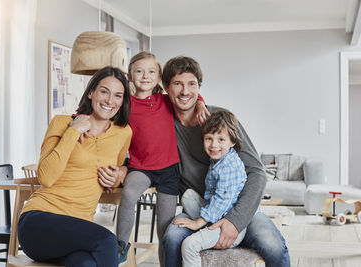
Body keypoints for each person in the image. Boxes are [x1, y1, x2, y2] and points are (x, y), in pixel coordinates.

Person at [161, 56, 290, 267]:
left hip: (238, 205)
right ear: (166, 87)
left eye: (191, 84)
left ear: (199, 87)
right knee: (172, 238)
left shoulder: (220, 120)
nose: (185, 91)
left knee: (272, 245)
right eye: (178, 84)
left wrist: (235, 221)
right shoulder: (163, 124)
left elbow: (257, 172)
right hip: (200, 207)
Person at [17, 67, 132, 267]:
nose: (109, 101)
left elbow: (120, 167)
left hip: (79, 231)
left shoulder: (123, 133)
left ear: (123, 101)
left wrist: (122, 174)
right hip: (39, 222)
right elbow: (46, 177)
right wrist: (73, 131)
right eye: (104, 91)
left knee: (86, 264)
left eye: (118, 95)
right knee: (107, 241)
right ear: (91, 92)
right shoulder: (61, 123)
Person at [116, 51, 208, 265]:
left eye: (151, 72)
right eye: (139, 71)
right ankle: (120, 245)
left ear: (159, 78)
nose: (145, 76)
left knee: (165, 230)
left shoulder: (165, 100)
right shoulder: (125, 105)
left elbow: (191, 94)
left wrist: (201, 104)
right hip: (140, 168)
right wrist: (121, 166)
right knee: (129, 194)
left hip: (169, 171)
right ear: (129, 76)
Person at [174, 110, 258, 267]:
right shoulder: (219, 160)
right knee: (188, 196)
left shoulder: (229, 166)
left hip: (229, 224)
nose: (214, 145)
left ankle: (206, 228)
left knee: (189, 245)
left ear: (232, 141)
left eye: (221, 139)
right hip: (217, 211)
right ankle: (207, 227)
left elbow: (222, 200)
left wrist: (198, 222)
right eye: (209, 139)